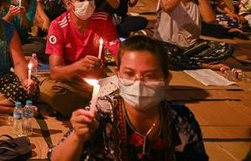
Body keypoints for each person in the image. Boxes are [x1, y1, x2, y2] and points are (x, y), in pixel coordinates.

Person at [49, 36, 208, 161]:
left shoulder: (180, 119)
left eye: (149, 75)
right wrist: (77, 136)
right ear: (118, 76)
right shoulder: (101, 113)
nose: (138, 82)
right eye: (129, 74)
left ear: (166, 79)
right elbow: (56, 158)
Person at [40, 0, 120, 118]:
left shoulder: (103, 19)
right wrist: (79, 66)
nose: (87, 4)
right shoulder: (58, 25)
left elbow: (118, 51)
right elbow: (55, 72)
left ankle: (88, 106)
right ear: (68, 4)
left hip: (98, 82)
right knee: (47, 90)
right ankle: (97, 106)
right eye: (81, 0)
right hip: (70, 83)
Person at [154, 0, 233, 69]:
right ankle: (202, 65)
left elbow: (210, 19)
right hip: (166, 45)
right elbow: (167, 7)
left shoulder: (197, 0)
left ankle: (182, 61)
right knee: (161, 53)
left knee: (225, 48)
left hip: (190, 48)